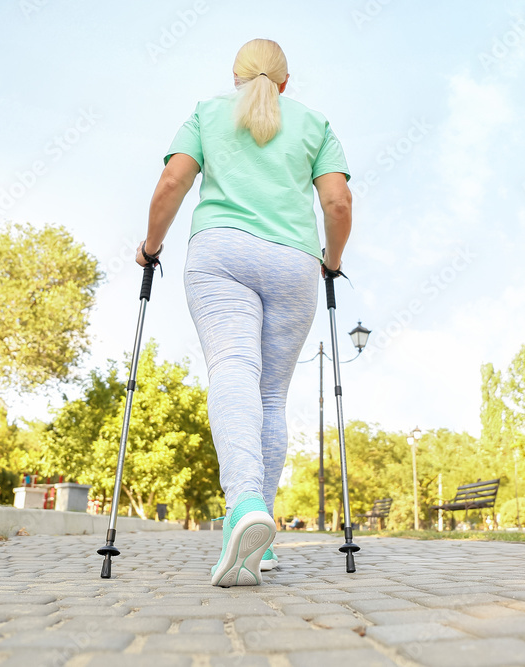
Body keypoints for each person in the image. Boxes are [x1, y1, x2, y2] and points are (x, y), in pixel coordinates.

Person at [136, 38, 352, 586]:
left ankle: (245, 505)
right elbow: (337, 203)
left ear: (236, 79)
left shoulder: (207, 114)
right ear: (284, 83)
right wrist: (333, 260)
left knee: (233, 367)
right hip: (294, 263)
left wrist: (150, 247)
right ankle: (262, 535)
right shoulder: (315, 123)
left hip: (221, 252)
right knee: (271, 394)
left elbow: (171, 183)